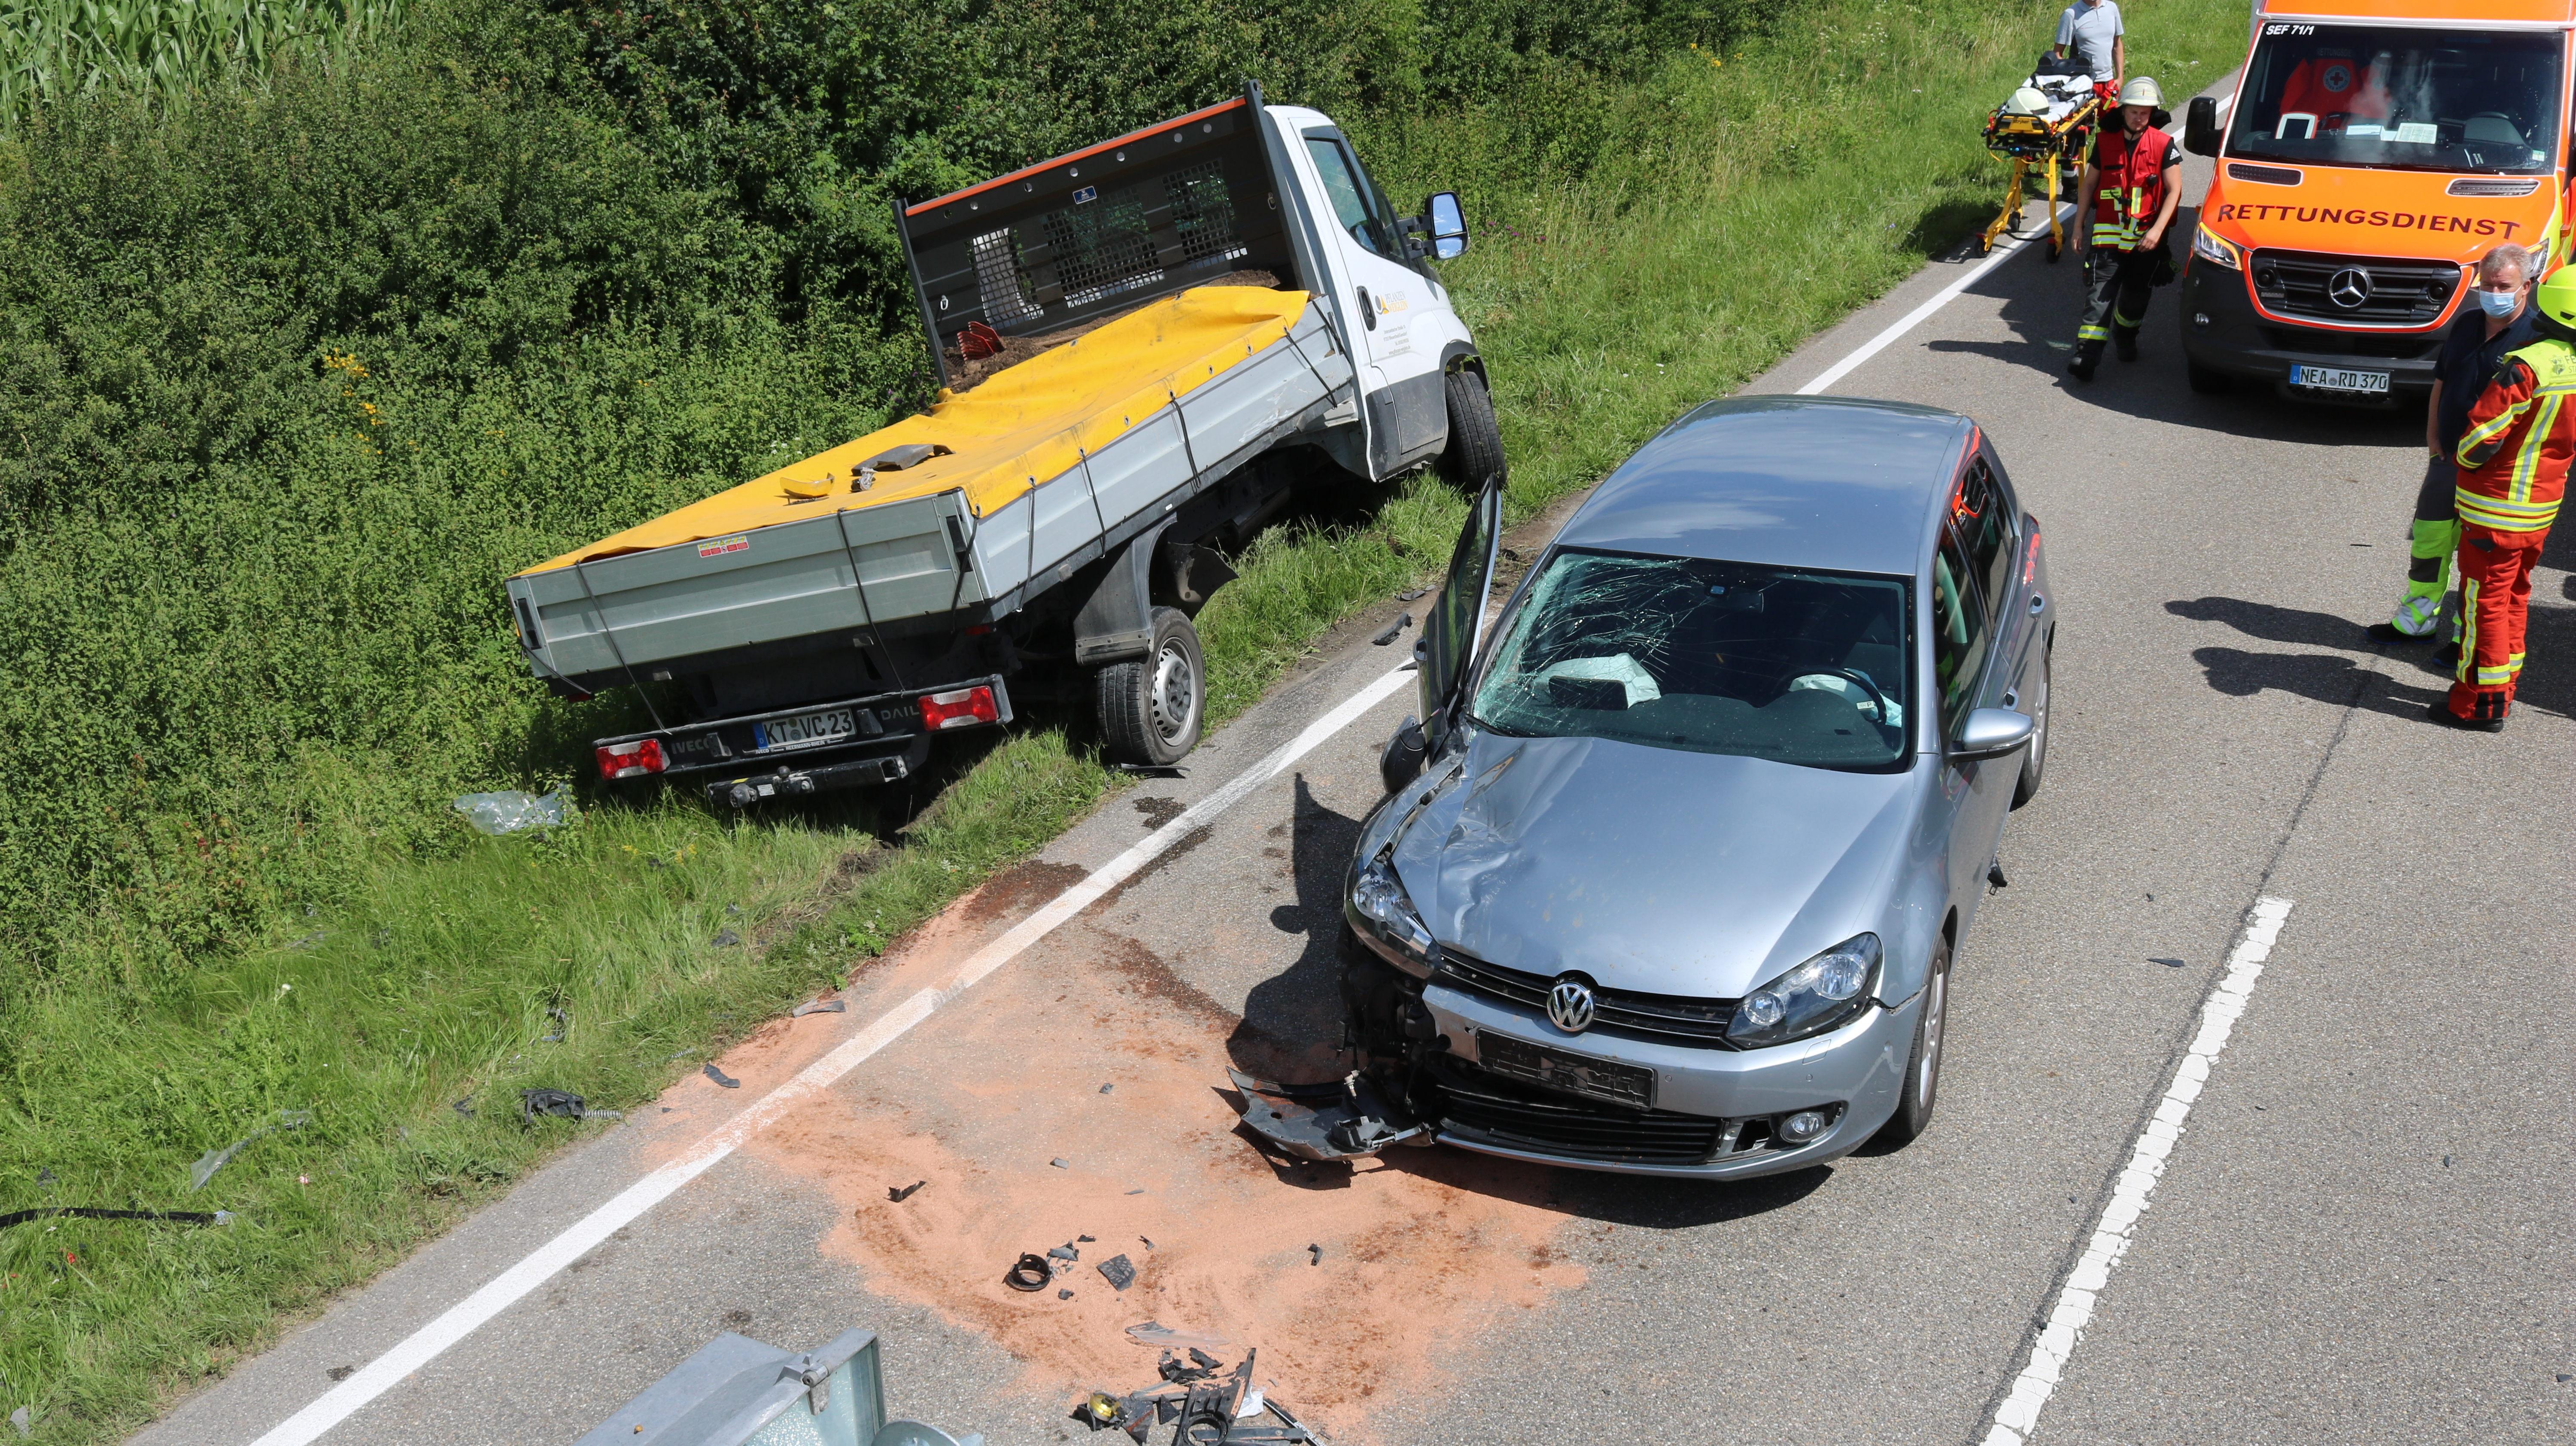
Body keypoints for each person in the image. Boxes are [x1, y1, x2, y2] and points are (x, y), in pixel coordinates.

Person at [2369, 244, 2535, 644]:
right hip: (2447, 459)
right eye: (2488, 285)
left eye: (2504, 285)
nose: (2495, 292)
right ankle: (2416, 622)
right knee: (2429, 541)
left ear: (2526, 286)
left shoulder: (2535, 338)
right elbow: (2442, 382)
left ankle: (2466, 640)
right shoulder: (2467, 324)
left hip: (2492, 472)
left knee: (2478, 559)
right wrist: (2431, 437)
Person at [2436, 264, 2576, 731]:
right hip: (2540, 512)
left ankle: (2478, 704)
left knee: (2483, 606)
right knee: (2515, 597)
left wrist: (2462, 460)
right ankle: (2504, 687)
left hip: (2497, 511)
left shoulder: (2528, 365)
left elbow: (2482, 440)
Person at [2066, 76, 2179, 382]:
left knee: (2134, 300)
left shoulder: (2163, 145)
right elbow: (2089, 184)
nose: (2140, 117)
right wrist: (2078, 227)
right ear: (2123, 111)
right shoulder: (2105, 143)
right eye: (2134, 111)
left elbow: (2175, 191)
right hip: (2107, 237)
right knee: (2099, 296)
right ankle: (2086, 355)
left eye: (2146, 112)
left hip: (2146, 241)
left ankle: (2126, 337)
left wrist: (2157, 232)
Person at [2056, 0, 2125, 85]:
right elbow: (2058, 54)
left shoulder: (2112, 8)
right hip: (2082, 84)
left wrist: (2120, 78)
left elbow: (2117, 45)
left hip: (2109, 81)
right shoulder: (2071, 14)